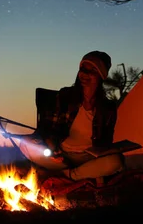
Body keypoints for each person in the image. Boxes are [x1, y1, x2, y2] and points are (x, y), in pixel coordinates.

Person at [21, 51, 124, 181]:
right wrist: (52, 146)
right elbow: (47, 129)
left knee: (116, 161)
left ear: (101, 75)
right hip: (62, 155)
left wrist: (107, 150)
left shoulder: (108, 108)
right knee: (26, 143)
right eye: (83, 69)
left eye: (92, 70)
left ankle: (71, 174)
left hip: (88, 157)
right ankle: (79, 171)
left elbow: (106, 141)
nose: (86, 74)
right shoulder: (65, 96)